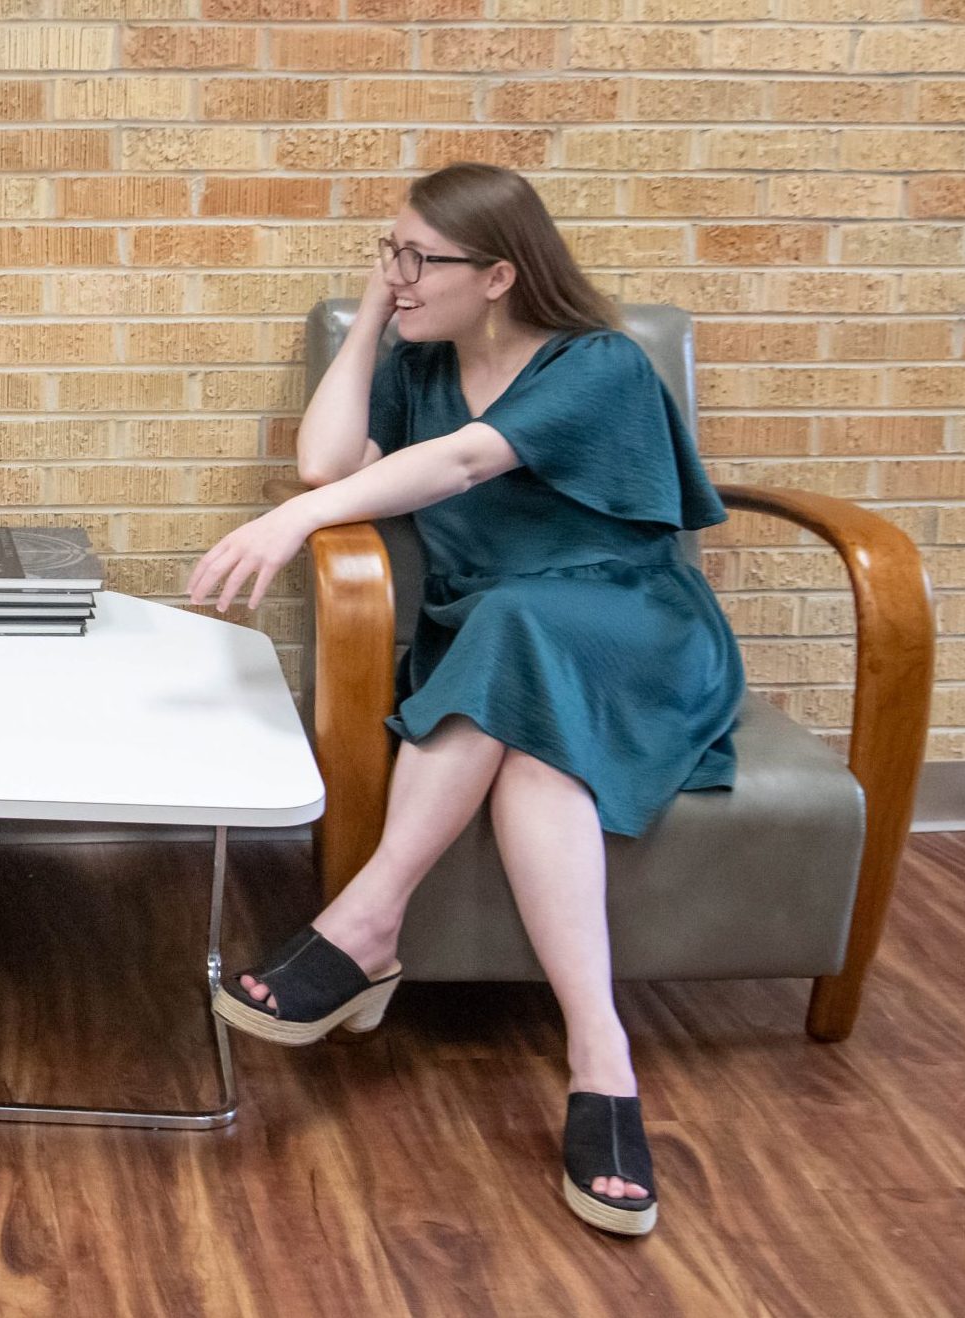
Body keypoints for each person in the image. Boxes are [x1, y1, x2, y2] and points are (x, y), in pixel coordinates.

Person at [189, 162, 743, 1238]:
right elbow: (322, 458)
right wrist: (370, 321)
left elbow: (460, 464)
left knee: (517, 626)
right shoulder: (422, 363)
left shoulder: (600, 364)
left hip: (630, 627)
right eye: (386, 250)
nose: (397, 274)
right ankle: (601, 1061)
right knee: (532, 735)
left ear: (497, 273)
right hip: (502, 638)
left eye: (418, 259)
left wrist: (292, 528)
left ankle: (366, 919)